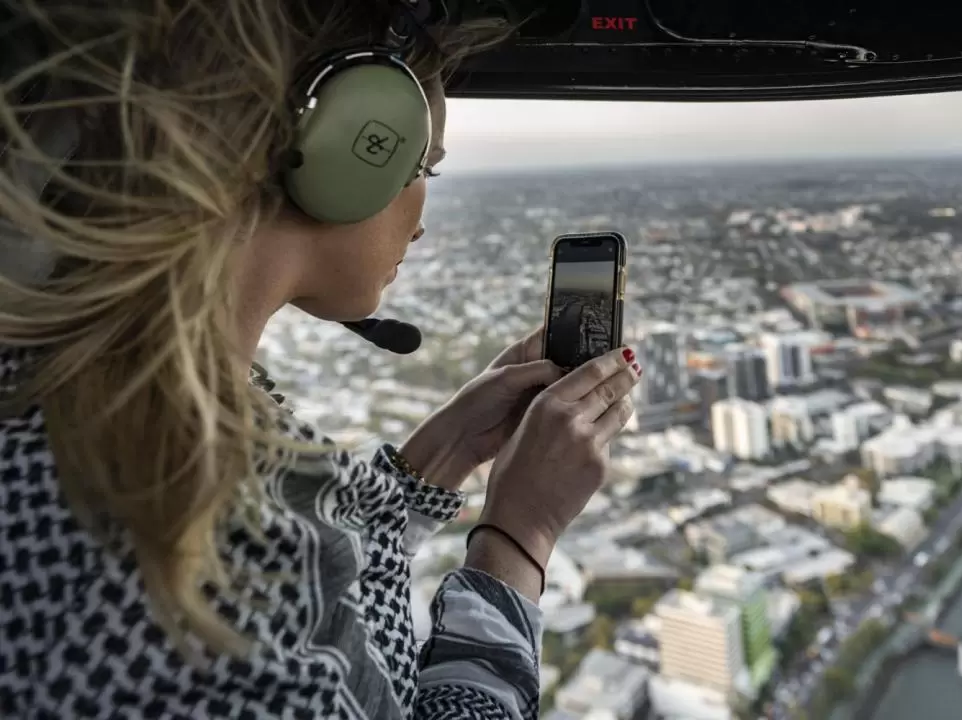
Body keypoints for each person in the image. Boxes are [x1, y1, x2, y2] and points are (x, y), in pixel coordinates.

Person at [0, 2, 643, 719]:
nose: (422, 221)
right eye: (421, 165)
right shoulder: (194, 559)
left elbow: (335, 615)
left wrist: (445, 452)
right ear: (345, 148)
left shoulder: (77, 395)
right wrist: (517, 539)